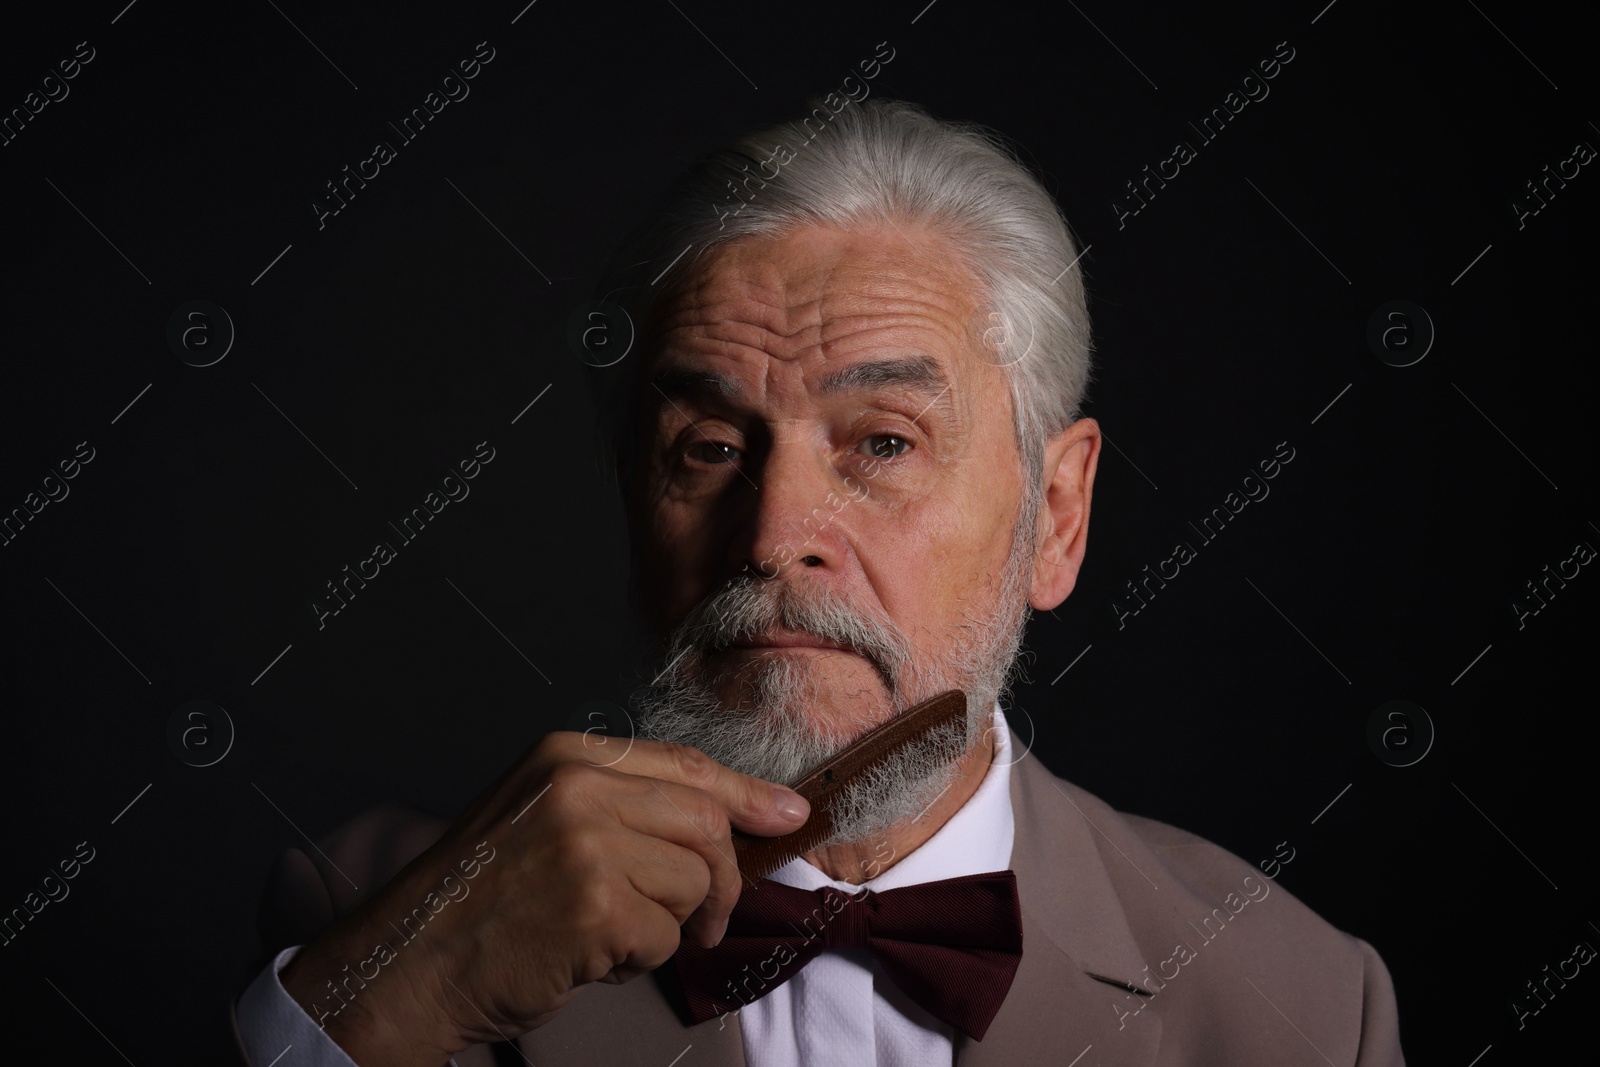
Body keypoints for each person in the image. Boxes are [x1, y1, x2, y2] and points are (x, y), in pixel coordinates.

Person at [233, 98, 1406, 1066]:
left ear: (1055, 515)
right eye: (709, 448)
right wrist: (397, 999)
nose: (773, 533)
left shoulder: (1297, 1003)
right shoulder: (362, 918)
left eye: (882, 442)